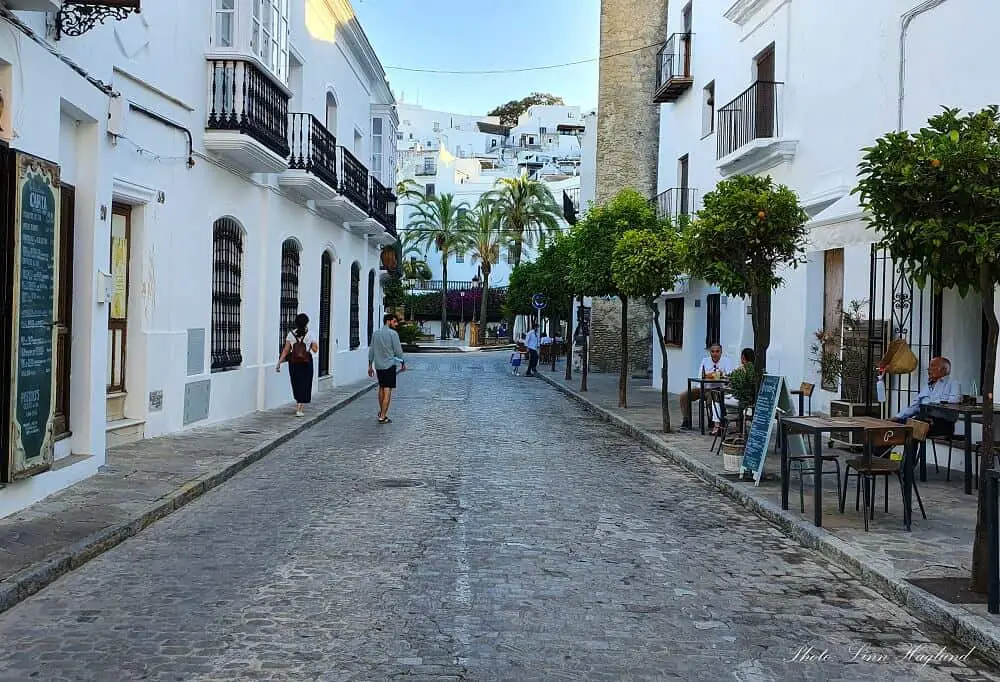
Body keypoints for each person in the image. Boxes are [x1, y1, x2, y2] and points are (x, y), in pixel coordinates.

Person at [890, 356, 961, 437]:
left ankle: (911, 450)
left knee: (913, 427)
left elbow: (955, 400)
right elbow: (915, 405)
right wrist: (897, 417)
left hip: (943, 423)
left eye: (933, 366)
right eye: (929, 366)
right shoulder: (928, 385)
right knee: (893, 426)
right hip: (924, 419)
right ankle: (880, 449)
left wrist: (929, 404)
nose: (929, 369)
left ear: (945, 369)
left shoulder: (953, 383)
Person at [679, 343, 736, 430]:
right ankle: (686, 420)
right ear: (710, 352)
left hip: (717, 389)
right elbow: (700, 376)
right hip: (702, 387)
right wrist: (710, 375)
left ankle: (713, 420)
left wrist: (720, 375)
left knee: (711, 399)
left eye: (717, 351)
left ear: (721, 352)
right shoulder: (705, 360)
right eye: (713, 351)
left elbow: (729, 376)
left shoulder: (726, 361)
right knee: (684, 395)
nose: (715, 354)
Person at [276, 313, 318, 417]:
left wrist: (279, 362)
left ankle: (298, 401)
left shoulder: (291, 334)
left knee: (296, 382)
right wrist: (311, 346)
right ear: (306, 323)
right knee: (305, 383)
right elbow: (315, 350)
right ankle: (300, 406)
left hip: (294, 362)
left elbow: (286, 350)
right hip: (306, 362)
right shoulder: (310, 334)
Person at [368, 313, 407, 424]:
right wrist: (403, 362)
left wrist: (370, 365)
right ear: (388, 321)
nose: (396, 324)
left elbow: (371, 350)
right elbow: (398, 350)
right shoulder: (393, 334)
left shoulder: (375, 334)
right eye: (394, 321)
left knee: (381, 388)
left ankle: (382, 413)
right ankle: (383, 416)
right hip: (389, 365)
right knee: (387, 389)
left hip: (379, 366)